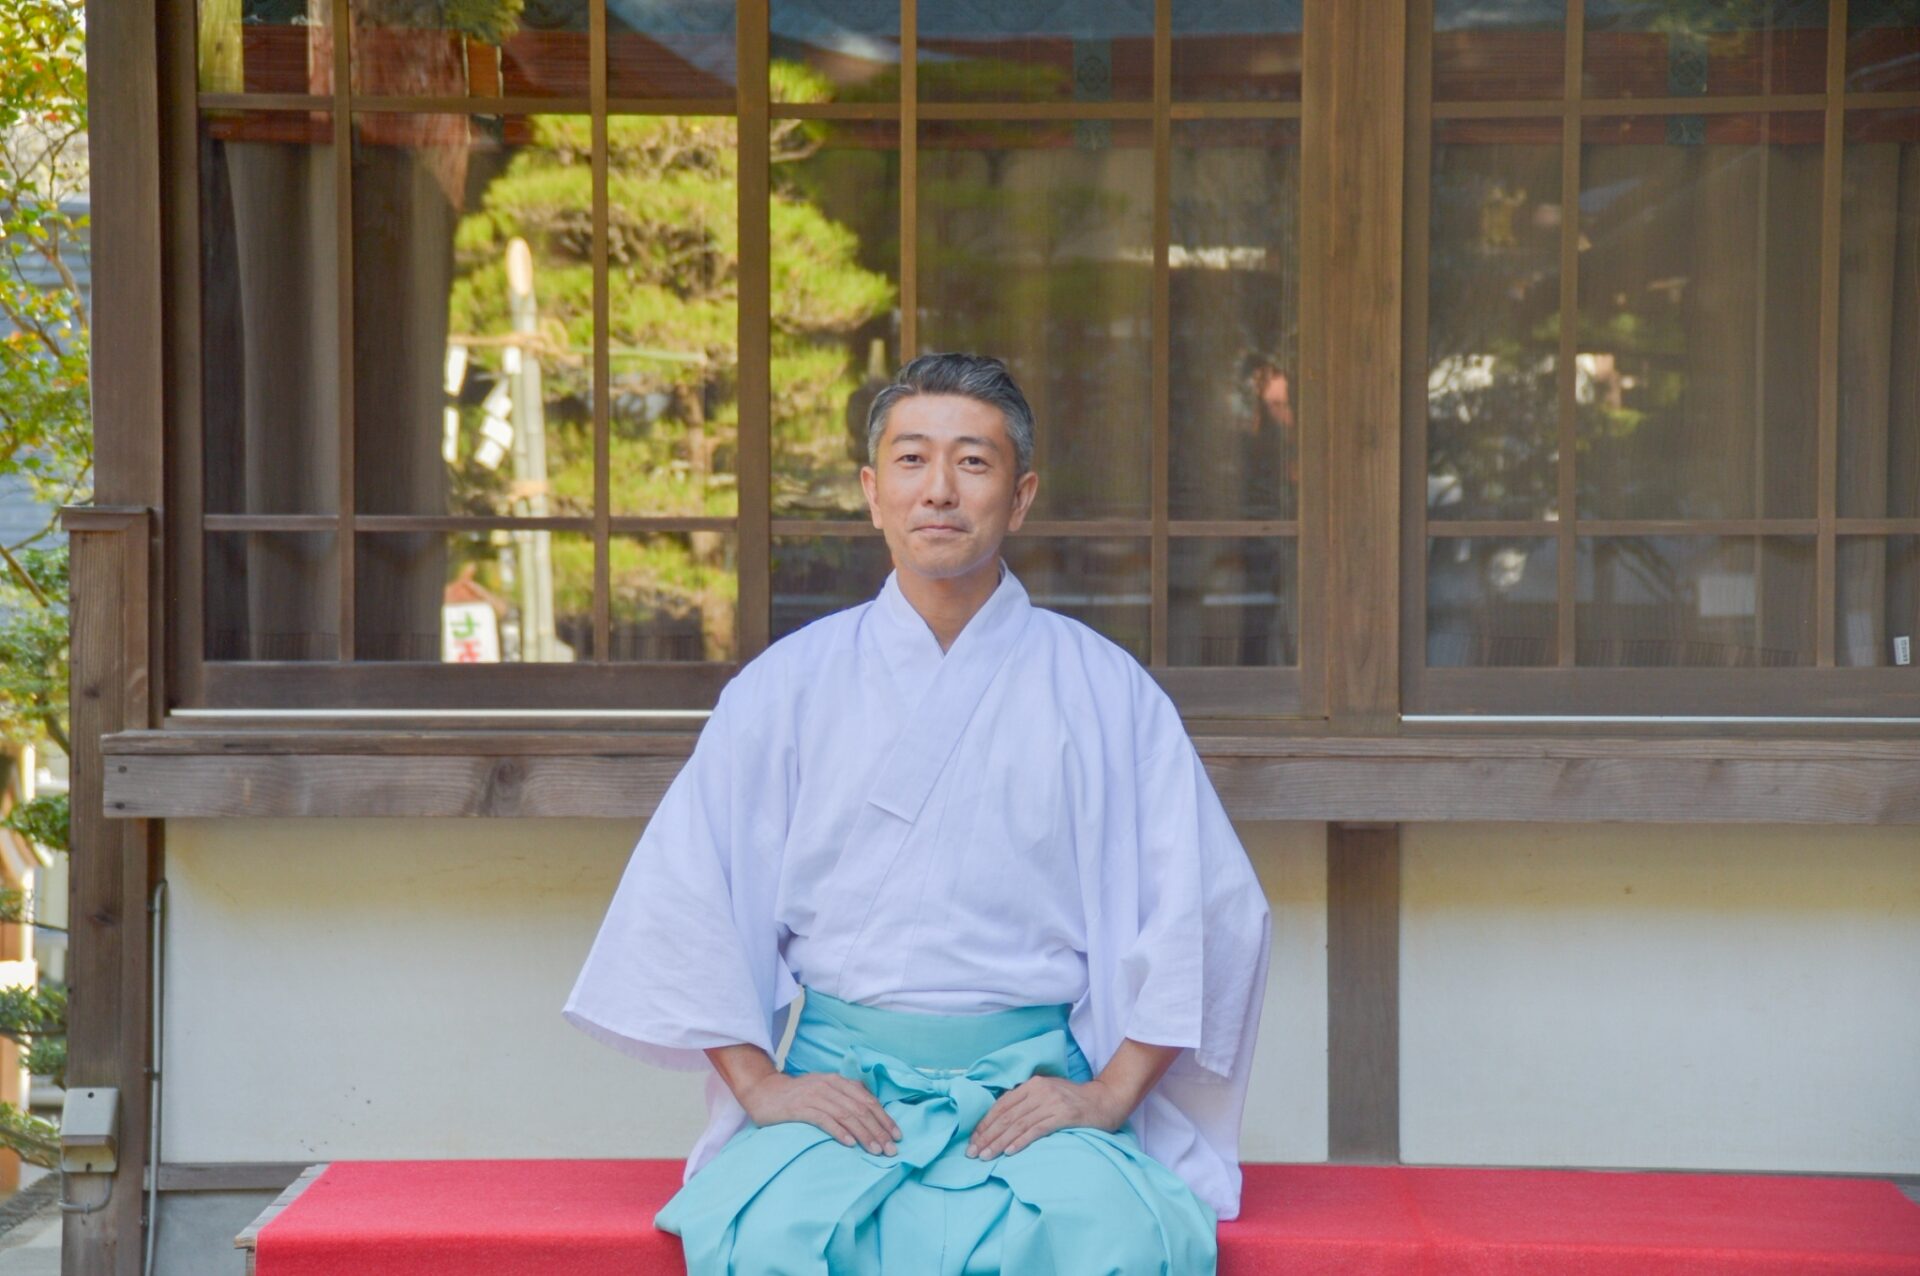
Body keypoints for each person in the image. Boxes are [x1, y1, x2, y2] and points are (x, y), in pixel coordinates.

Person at [562, 352, 1272, 1273]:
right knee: (774, 1240)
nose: (940, 489)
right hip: (839, 1094)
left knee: (1120, 1241)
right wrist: (764, 1084)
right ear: (872, 491)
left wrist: (1104, 1096)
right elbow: (686, 894)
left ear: (1020, 497)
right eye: (911, 460)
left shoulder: (1106, 691)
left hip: (1032, 1095)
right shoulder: (787, 687)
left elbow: (1209, 909)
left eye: (973, 462)